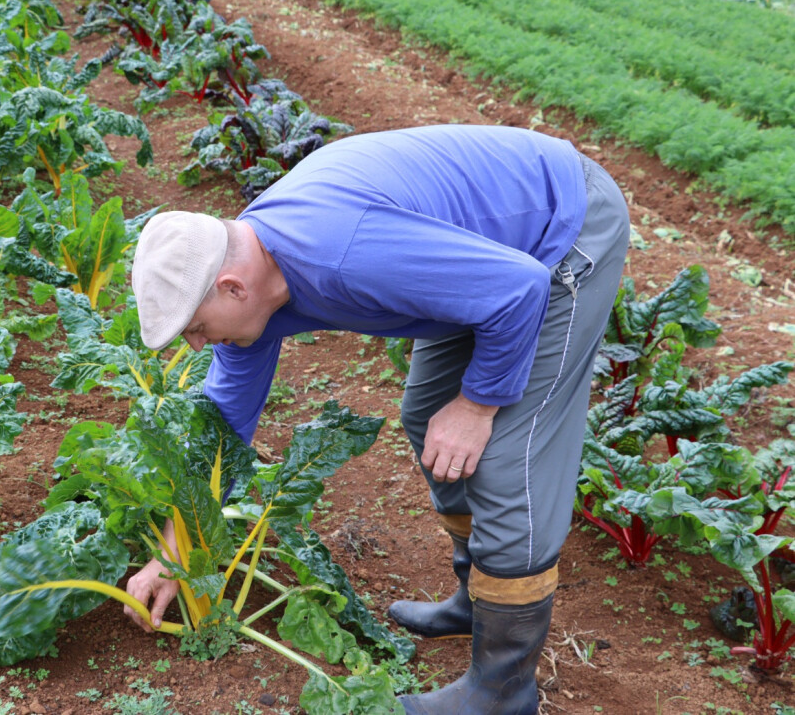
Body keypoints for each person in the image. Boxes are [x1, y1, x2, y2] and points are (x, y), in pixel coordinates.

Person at [124, 124, 629, 714]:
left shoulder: (340, 253)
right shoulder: (252, 275)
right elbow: (224, 424)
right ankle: (476, 598)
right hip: (477, 261)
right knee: (425, 416)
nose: (195, 344)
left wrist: (477, 405)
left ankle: (502, 691)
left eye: (194, 328)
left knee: (503, 457)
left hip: (555, 238)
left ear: (232, 288)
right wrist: (175, 546)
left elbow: (517, 289)